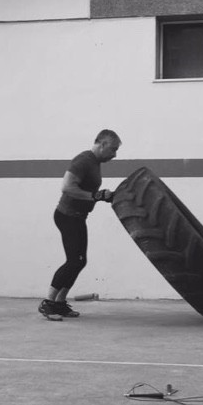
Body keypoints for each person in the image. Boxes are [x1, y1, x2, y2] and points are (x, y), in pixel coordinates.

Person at [38, 129, 122, 320]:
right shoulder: (83, 160)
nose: (115, 155)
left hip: (78, 217)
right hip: (67, 216)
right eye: (113, 149)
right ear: (102, 144)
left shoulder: (94, 162)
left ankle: (59, 303)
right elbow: (67, 187)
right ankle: (48, 303)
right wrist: (95, 195)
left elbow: (88, 192)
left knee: (80, 261)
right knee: (74, 261)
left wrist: (102, 196)